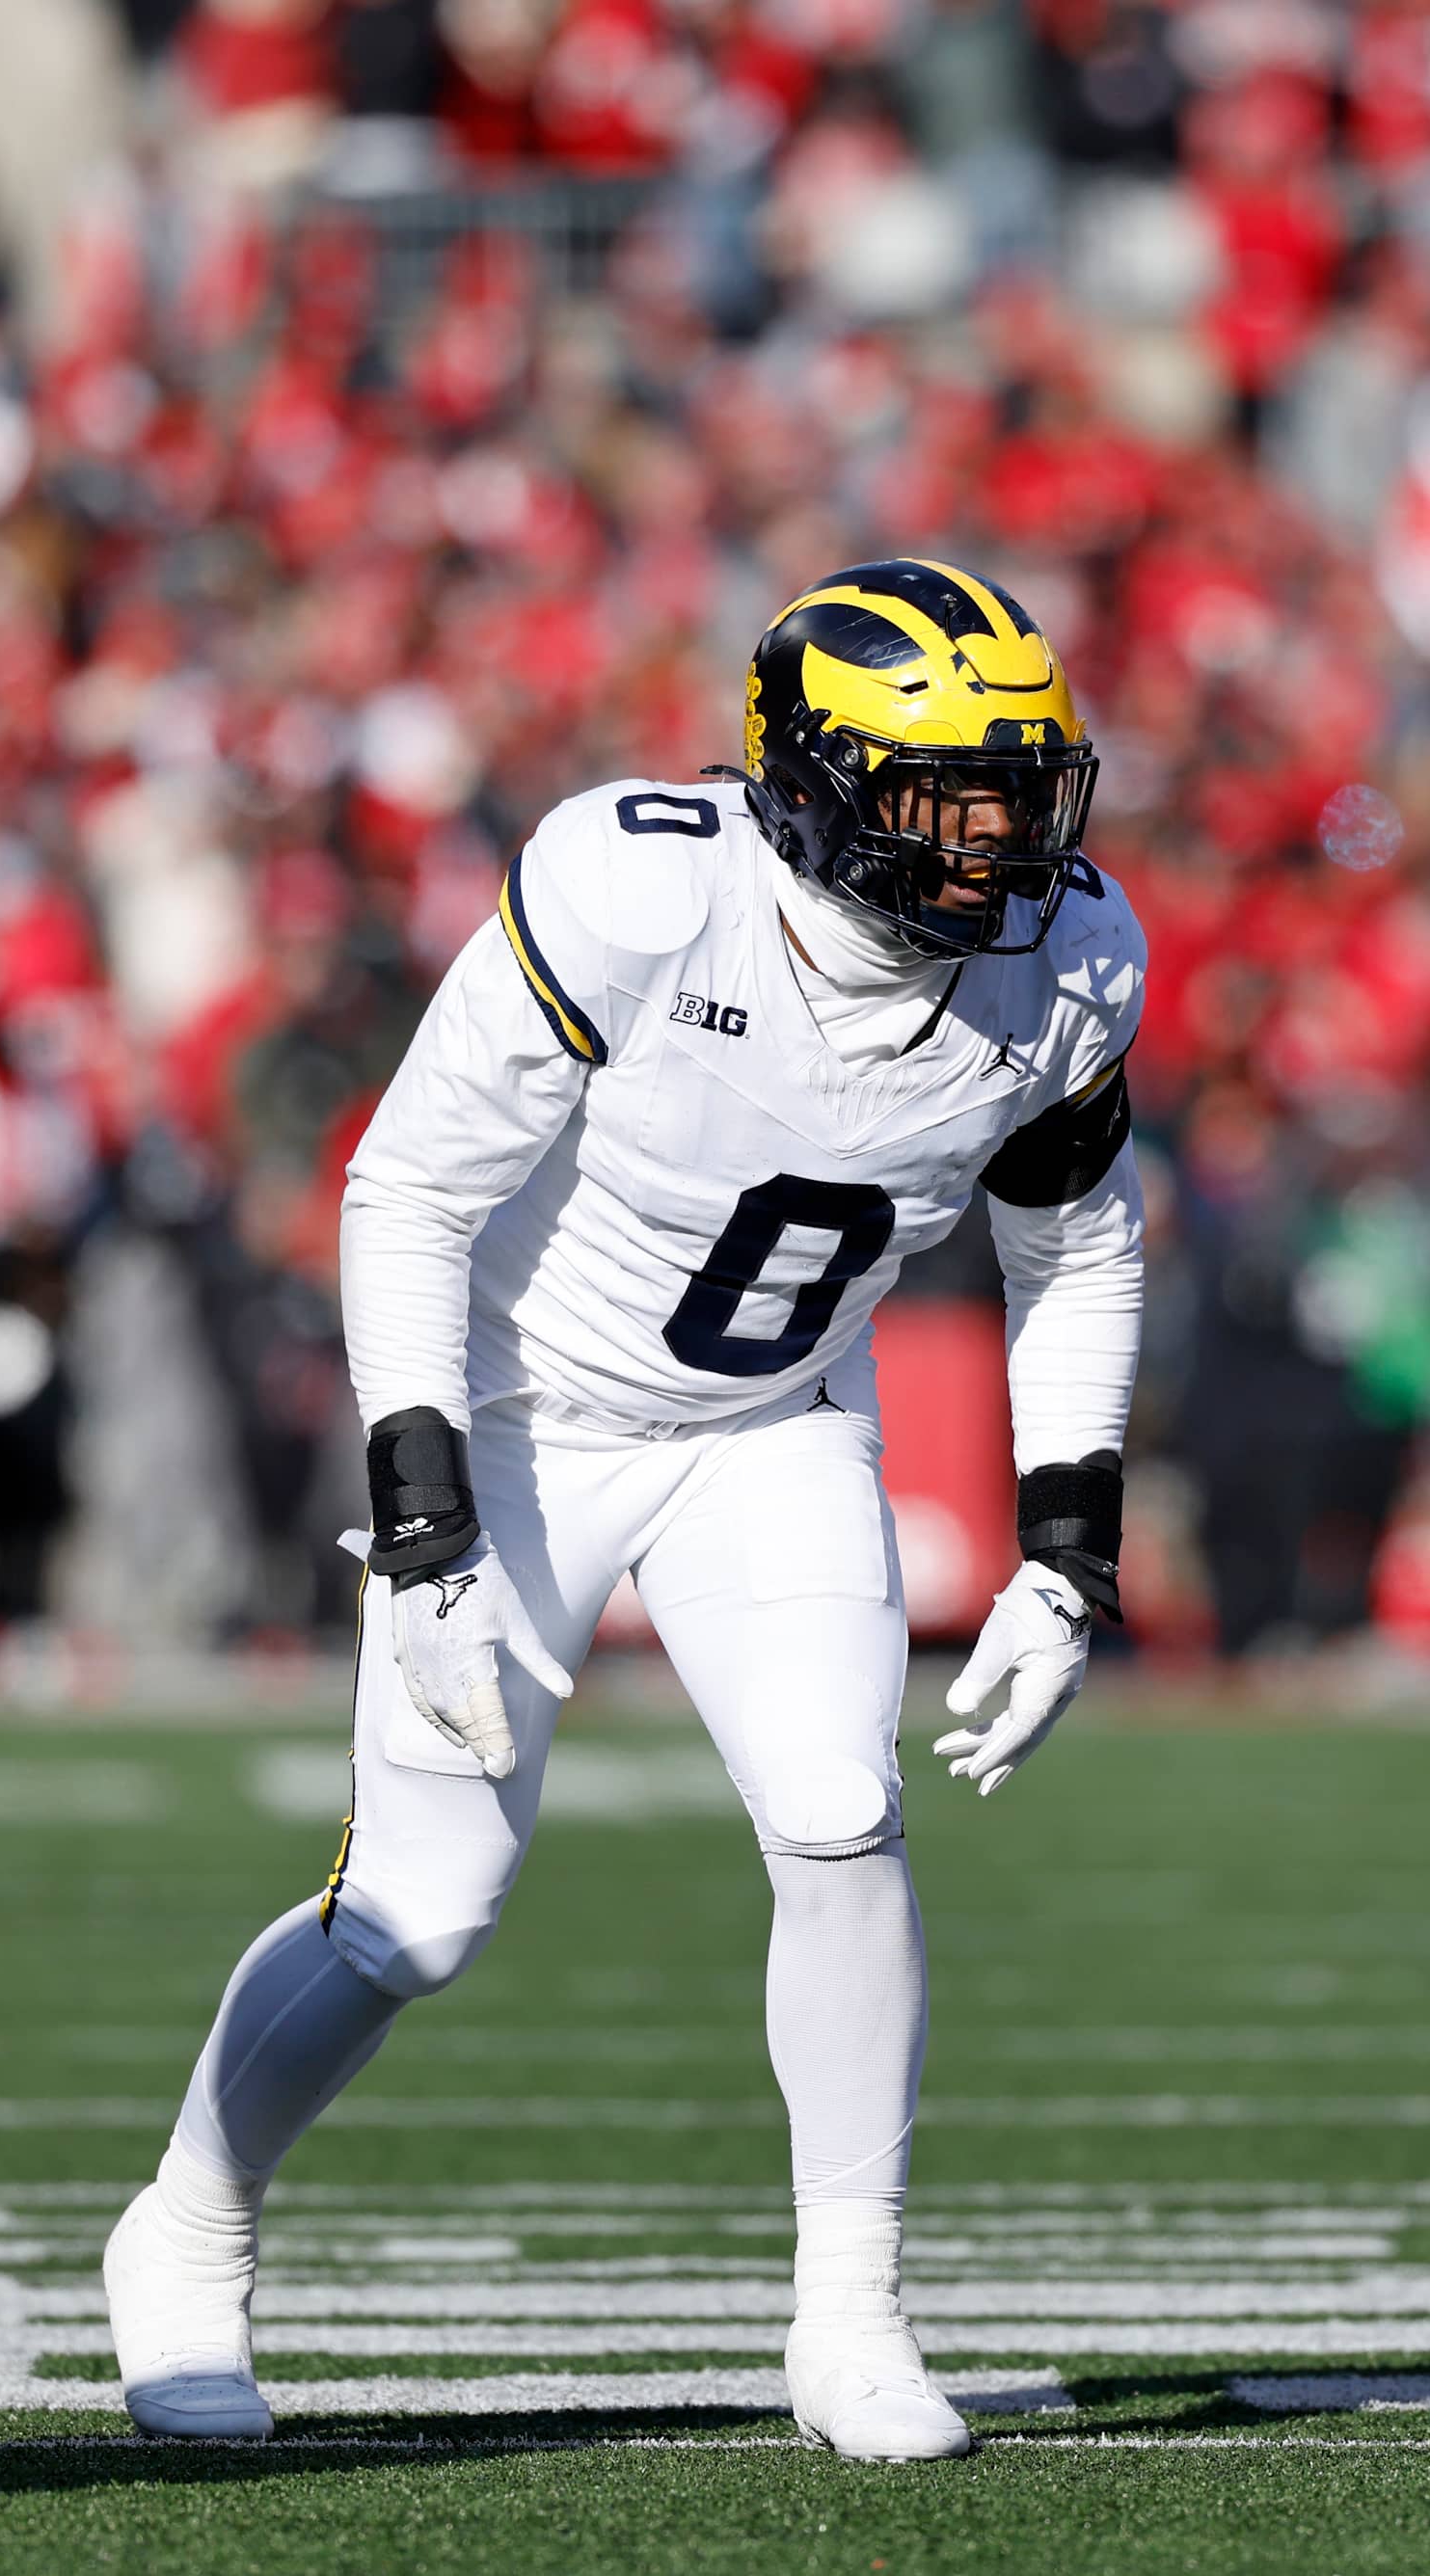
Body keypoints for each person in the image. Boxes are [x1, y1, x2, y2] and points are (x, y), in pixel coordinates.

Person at [103, 558, 1147, 2461]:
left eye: (1019, 786)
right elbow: (405, 1190)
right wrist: (422, 1521)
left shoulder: (1072, 959)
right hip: (520, 1416)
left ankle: (850, 2315)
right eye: (946, 793)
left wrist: (1069, 1552)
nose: (999, 839)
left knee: (843, 1816)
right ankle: (183, 2229)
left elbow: (1075, 1241)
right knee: (419, 1909)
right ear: (818, 785)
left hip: (766, 1428)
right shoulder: (646, 891)